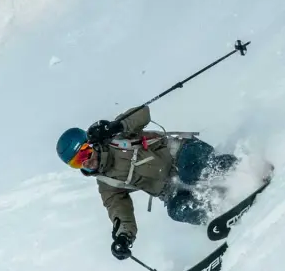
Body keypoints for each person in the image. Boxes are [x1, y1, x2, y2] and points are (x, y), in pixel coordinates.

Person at [56, 105, 238, 260]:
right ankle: (223, 211)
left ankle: (242, 171)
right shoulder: (107, 184)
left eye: (84, 153)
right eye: (77, 162)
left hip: (183, 154)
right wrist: (123, 237)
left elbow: (143, 113)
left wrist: (116, 126)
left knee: (193, 172)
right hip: (172, 188)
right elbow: (120, 212)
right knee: (177, 210)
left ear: (91, 144)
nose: (85, 162)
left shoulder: (115, 138)